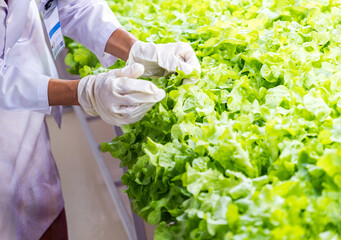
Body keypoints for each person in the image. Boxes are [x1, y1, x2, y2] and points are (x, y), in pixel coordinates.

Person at [0, 0, 201, 239]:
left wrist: (136, 50)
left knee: (42, 208)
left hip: (24, 113)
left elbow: (73, 4)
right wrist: (84, 92)